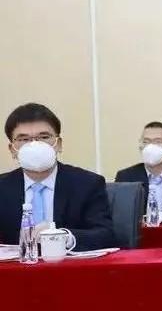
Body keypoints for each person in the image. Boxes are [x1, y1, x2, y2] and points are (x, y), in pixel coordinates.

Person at [0, 103, 114, 251]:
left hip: (69, 264)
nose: (35, 145)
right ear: (12, 149)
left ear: (58, 144)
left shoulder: (87, 183)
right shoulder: (2, 187)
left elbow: (105, 235)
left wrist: (63, 237)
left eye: (44, 137)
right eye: (24, 139)